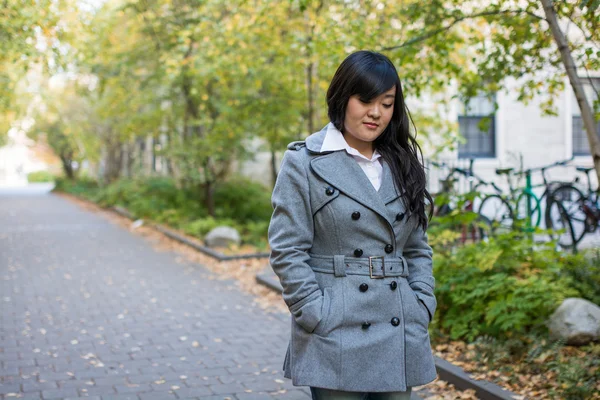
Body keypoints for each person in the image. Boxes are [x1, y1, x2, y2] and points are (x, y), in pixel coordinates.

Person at [268, 50, 437, 400]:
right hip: (335, 328)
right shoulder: (305, 162)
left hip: (397, 324)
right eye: (365, 100)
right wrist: (314, 312)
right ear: (343, 97)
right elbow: (286, 249)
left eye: (387, 103)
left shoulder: (403, 164)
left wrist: (422, 303)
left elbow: (418, 249)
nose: (376, 112)